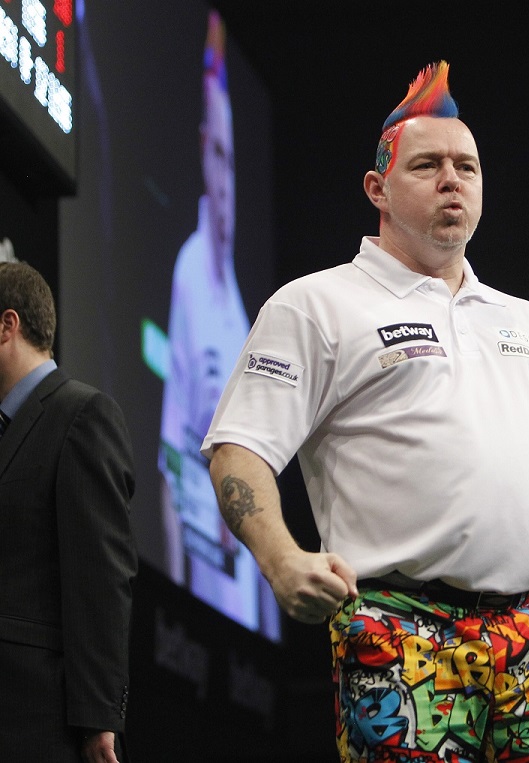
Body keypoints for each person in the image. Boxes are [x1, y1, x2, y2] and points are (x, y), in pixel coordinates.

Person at [202, 61, 529, 761]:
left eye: (467, 166)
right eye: (427, 165)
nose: (451, 180)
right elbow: (239, 447)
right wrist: (280, 559)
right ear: (377, 188)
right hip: (399, 629)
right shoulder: (316, 305)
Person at [158, 10, 280, 640]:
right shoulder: (189, 273)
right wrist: (177, 597)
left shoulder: (240, 303)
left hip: (243, 598)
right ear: (204, 151)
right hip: (200, 590)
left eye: (235, 164)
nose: (227, 183)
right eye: (219, 157)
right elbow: (171, 460)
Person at [0, 259, 137, 762]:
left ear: (7, 326)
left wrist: (99, 719)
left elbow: (101, 576)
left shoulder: (81, 414)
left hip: (37, 721)